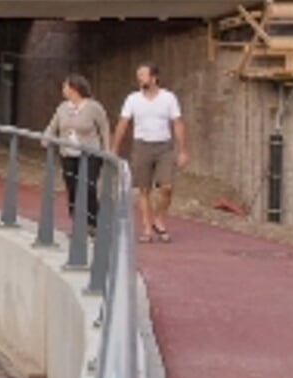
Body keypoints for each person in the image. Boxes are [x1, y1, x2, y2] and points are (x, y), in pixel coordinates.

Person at [111, 64, 190, 244]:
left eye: (143, 75)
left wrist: (183, 150)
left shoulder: (169, 98)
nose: (139, 78)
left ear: (154, 78)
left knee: (167, 187)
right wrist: (114, 147)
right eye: (138, 75)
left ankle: (159, 219)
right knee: (143, 189)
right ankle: (147, 227)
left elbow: (177, 123)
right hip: (142, 146)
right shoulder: (132, 99)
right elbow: (123, 123)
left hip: (164, 147)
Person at [44, 74, 111, 232]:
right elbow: (53, 126)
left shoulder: (93, 107)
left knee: (88, 187)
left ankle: (93, 223)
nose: (63, 90)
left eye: (65, 87)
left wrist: (107, 149)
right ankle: (77, 223)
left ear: (74, 88)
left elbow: (104, 128)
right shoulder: (62, 108)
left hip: (90, 153)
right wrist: (46, 138)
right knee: (72, 188)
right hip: (68, 153)